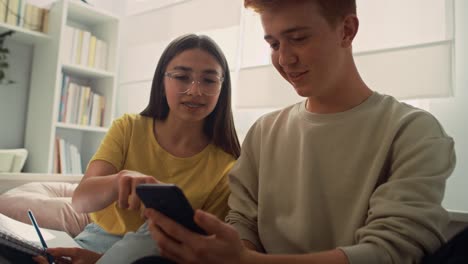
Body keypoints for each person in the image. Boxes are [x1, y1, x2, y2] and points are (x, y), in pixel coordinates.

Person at [142, 0, 456, 263]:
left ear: (346, 31)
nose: (284, 59)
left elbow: (390, 253)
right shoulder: (264, 132)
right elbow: (243, 226)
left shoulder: (413, 131)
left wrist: (246, 261)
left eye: (299, 38)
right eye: (274, 44)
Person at [34, 33, 240, 264]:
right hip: (95, 242)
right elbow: (81, 201)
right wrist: (119, 180)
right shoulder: (128, 128)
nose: (195, 91)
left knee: (154, 232)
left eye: (209, 81)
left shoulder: (226, 166)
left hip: (155, 253)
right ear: (162, 83)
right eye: (182, 77)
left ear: (222, 88)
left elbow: (199, 247)